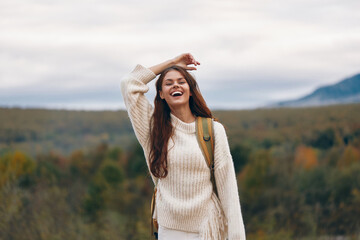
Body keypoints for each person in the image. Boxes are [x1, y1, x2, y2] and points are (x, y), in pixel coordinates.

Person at [121, 53, 246, 240]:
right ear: (161, 94)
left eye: (181, 81)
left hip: (208, 229)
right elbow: (129, 83)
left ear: (190, 90)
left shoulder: (213, 130)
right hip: (169, 231)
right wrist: (171, 63)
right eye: (168, 83)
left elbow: (228, 188)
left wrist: (237, 237)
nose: (176, 85)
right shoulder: (153, 130)